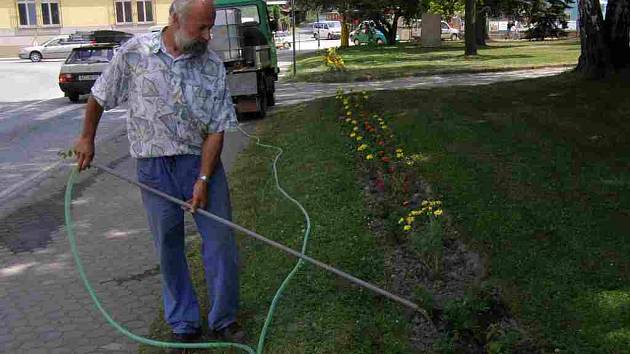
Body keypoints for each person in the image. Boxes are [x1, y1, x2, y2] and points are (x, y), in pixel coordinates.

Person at [73, 0, 243, 349]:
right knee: (168, 245)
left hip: (200, 162)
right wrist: (87, 138)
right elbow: (99, 95)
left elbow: (217, 129)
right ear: (175, 20)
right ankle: (184, 323)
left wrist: (204, 179)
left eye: (210, 27)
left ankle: (223, 319)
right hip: (153, 168)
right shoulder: (136, 52)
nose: (208, 36)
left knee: (220, 241)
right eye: (201, 28)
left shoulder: (211, 64)